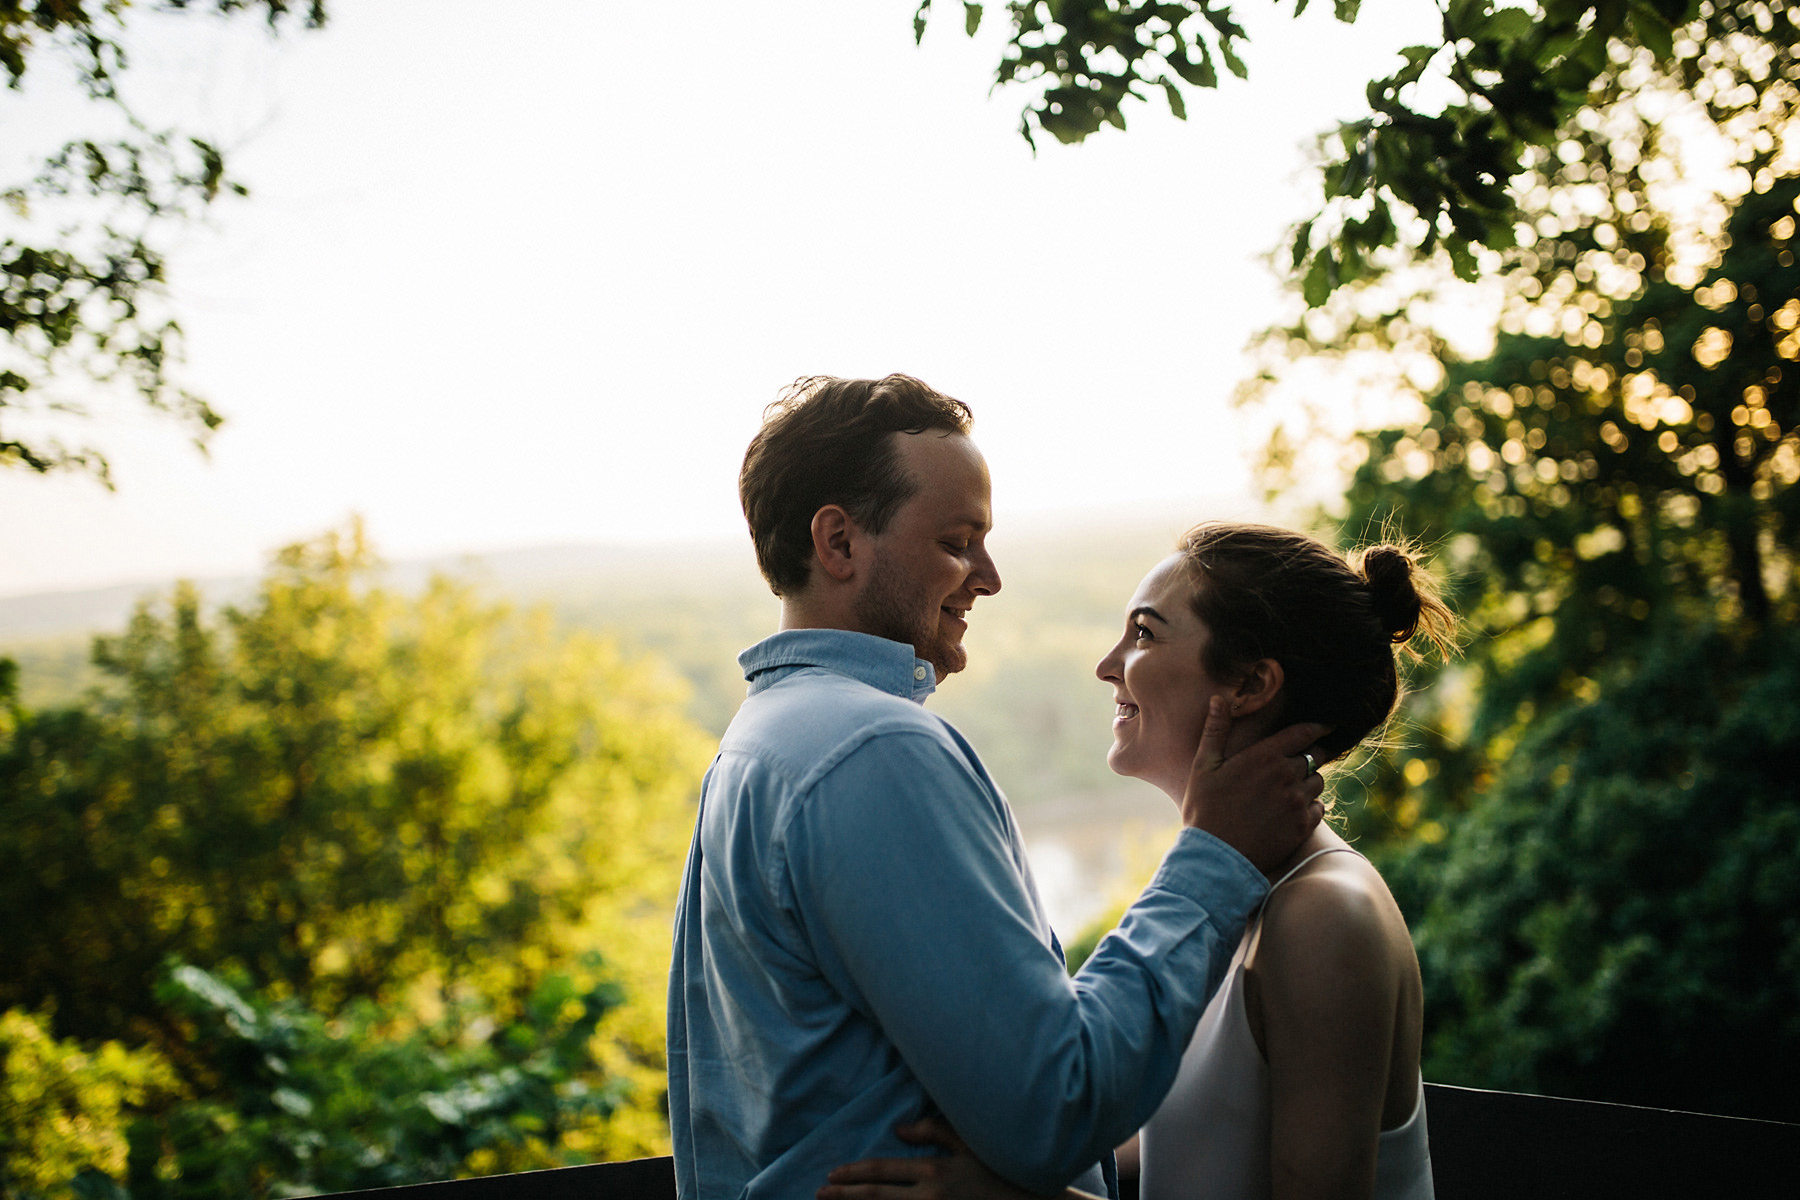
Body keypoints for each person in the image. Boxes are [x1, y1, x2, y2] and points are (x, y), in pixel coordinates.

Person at [668, 376, 1329, 1200]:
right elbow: (1057, 1106)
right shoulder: (874, 751)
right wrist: (1214, 860)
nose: (988, 576)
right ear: (838, 543)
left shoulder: (758, 743)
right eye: (957, 541)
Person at [820, 522, 1455, 1200]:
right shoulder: (1231, 883)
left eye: (1145, 634)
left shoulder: (1325, 916)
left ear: (1248, 684)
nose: (1107, 664)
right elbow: (1188, 1138)